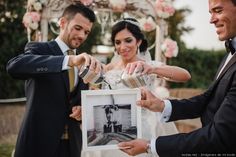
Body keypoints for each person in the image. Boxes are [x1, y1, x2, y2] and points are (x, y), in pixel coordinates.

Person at [118, 0, 236, 156]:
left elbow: (219, 136)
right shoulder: (230, 53)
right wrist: (161, 105)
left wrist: (150, 145)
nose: (211, 19)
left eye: (218, 10)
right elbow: (207, 100)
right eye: (210, 12)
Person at [84, 18, 190, 157]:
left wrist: (152, 69)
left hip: (142, 130)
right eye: (118, 42)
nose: (122, 47)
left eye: (128, 40)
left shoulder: (148, 65)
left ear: (138, 41)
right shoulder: (108, 68)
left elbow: (185, 75)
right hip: (112, 131)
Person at [6, 3, 102, 157]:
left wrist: (82, 110)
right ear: (63, 23)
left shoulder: (86, 62)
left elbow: (76, 100)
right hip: (38, 143)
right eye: (78, 28)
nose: (82, 36)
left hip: (72, 145)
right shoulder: (40, 49)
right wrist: (68, 61)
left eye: (86, 32)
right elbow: (14, 67)